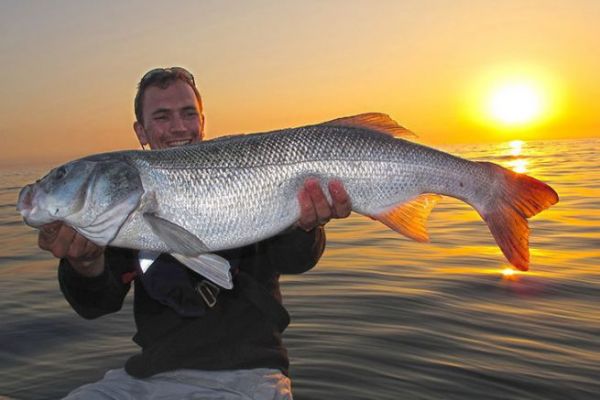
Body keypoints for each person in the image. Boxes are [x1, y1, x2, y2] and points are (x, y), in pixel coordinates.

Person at [38, 67, 352, 399]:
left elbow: (296, 260)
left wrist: (305, 224)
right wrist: (86, 263)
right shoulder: (121, 201)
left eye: (188, 114)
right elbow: (95, 305)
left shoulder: (246, 171)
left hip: (249, 373)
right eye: (162, 116)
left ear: (202, 121)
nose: (178, 127)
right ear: (141, 131)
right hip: (147, 376)